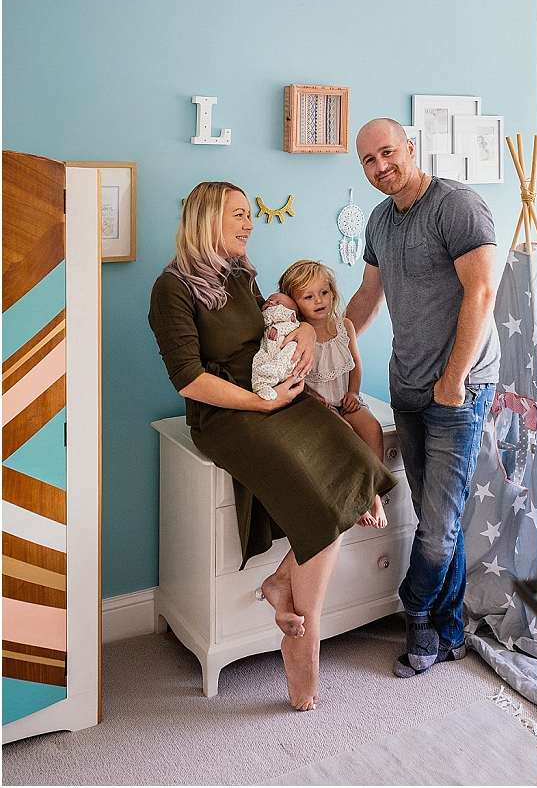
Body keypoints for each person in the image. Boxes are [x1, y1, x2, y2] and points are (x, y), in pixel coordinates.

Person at [148, 182, 398, 711]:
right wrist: (259, 405)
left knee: (355, 462)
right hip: (227, 410)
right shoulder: (170, 288)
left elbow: (271, 323)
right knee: (317, 494)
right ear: (208, 218)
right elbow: (188, 379)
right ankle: (303, 639)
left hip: (276, 388)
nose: (249, 224)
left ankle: (284, 583)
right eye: (239, 215)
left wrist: (306, 335)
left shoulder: (240, 273)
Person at [345, 117, 501, 678]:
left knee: (436, 526)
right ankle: (451, 628)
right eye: (367, 160)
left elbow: (482, 290)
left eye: (388, 152)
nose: (380, 166)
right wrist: (322, 349)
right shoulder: (381, 221)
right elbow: (367, 297)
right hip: (406, 385)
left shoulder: (456, 206)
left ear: (410, 147)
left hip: (458, 390)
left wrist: (454, 377)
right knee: (444, 515)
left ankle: (415, 615)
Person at [279, 260, 389, 530]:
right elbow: (293, 377)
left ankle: (373, 493)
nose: (319, 300)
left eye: (324, 292)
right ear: (294, 303)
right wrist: (312, 401)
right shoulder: (297, 336)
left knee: (373, 429)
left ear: (332, 292)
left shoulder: (344, 327)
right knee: (345, 434)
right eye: (308, 296)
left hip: (346, 397)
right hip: (318, 406)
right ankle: (355, 498)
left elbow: (356, 364)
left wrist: (353, 392)